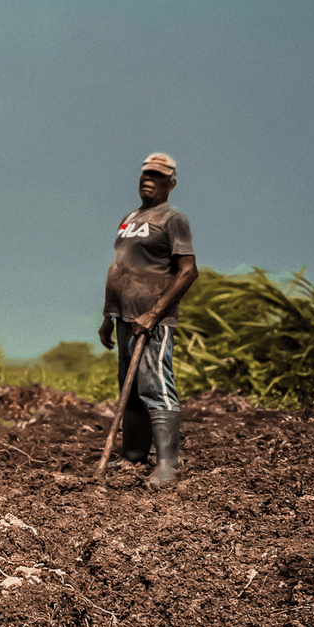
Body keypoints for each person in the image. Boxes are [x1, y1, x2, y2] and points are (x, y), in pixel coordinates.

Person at [98, 153, 198, 486]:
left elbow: (188, 271)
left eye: (157, 176)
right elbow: (118, 269)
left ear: (171, 183)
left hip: (154, 321)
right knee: (129, 388)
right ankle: (133, 456)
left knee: (155, 385)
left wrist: (154, 313)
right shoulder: (128, 219)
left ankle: (168, 465)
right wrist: (108, 316)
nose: (148, 180)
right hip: (125, 318)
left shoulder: (173, 219)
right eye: (145, 175)